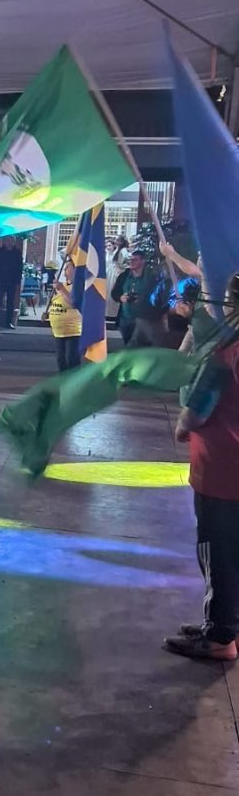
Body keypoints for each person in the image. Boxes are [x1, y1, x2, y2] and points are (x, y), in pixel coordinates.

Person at [166, 272, 239, 663]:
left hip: (222, 470)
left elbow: (196, 411)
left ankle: (220, 635)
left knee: (218, 552)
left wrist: (182, 425)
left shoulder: (226, 353)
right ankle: (228, 623)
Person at [113, 249, 164, 347]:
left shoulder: (151, 277)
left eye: (135, 260)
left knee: (142, 347)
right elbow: (114, 293)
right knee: (128, 344)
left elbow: (159, 297)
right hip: (125, 319)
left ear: (143, 261)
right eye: (130, 260)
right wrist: (121, 297)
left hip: (144, 319)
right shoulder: (124, 276)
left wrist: (143, 300)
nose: (131, 262)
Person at [46, 266, 82, 372]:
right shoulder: (62, 286)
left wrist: (61, 289)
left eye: (68, 267)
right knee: (61, 359)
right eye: (65, 267)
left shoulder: (78, 287)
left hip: (72, 330)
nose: (65, 269)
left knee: (71, 359)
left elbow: (74, 303)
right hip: (59, 331)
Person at [0, 235, 24, 329]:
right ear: (5, 241)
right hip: (0, 280)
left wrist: (18, 281)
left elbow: (19, 267)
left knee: (10, 303)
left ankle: (8, 323)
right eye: (8, 240)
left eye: (11, 240)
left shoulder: (17, 253)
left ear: (14, 242)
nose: (9, 242)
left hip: (11, 281)